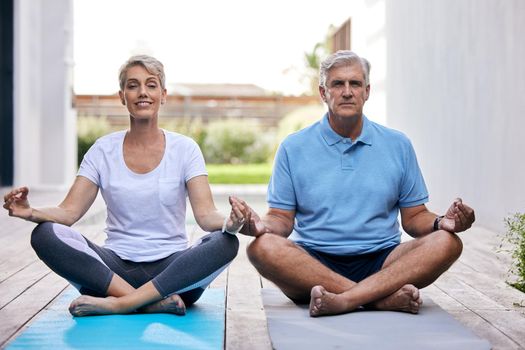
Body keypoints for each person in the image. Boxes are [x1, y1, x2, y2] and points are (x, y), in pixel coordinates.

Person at [3, 55, 247, 317]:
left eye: (151, 85)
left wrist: (230, 223)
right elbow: (68, 213)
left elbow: (206, 215)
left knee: (225, 242)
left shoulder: (185, 149)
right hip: (115, 271)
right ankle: (148, 302)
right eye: (133, 85)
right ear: (122, 96)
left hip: (173, 272)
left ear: (163, 95)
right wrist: (31, 212)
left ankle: (121, 304)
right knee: (44, 234)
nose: (143, 92)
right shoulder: (102, 151)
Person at [238, 50, 475, 317]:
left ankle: (345, 299)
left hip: (383, 261)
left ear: (367, 91)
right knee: (261, 247)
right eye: (338, 84)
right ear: (323, 93)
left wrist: (441, 222)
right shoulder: (293, 147)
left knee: (448, 242)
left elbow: (415, 217)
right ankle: (376, 300)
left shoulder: (398, 145)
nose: (347, 91)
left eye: (355, 84)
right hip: (312, 264)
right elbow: (281, 218)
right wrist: (261, 225)